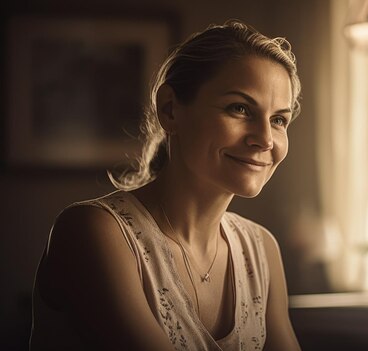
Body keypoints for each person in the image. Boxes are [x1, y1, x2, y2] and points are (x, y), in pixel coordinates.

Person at [29, 20, 302, 351]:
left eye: (278, 120)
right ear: (170, 110)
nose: (264, 139)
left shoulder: (261, 249)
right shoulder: (93, 230)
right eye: (239, 108)